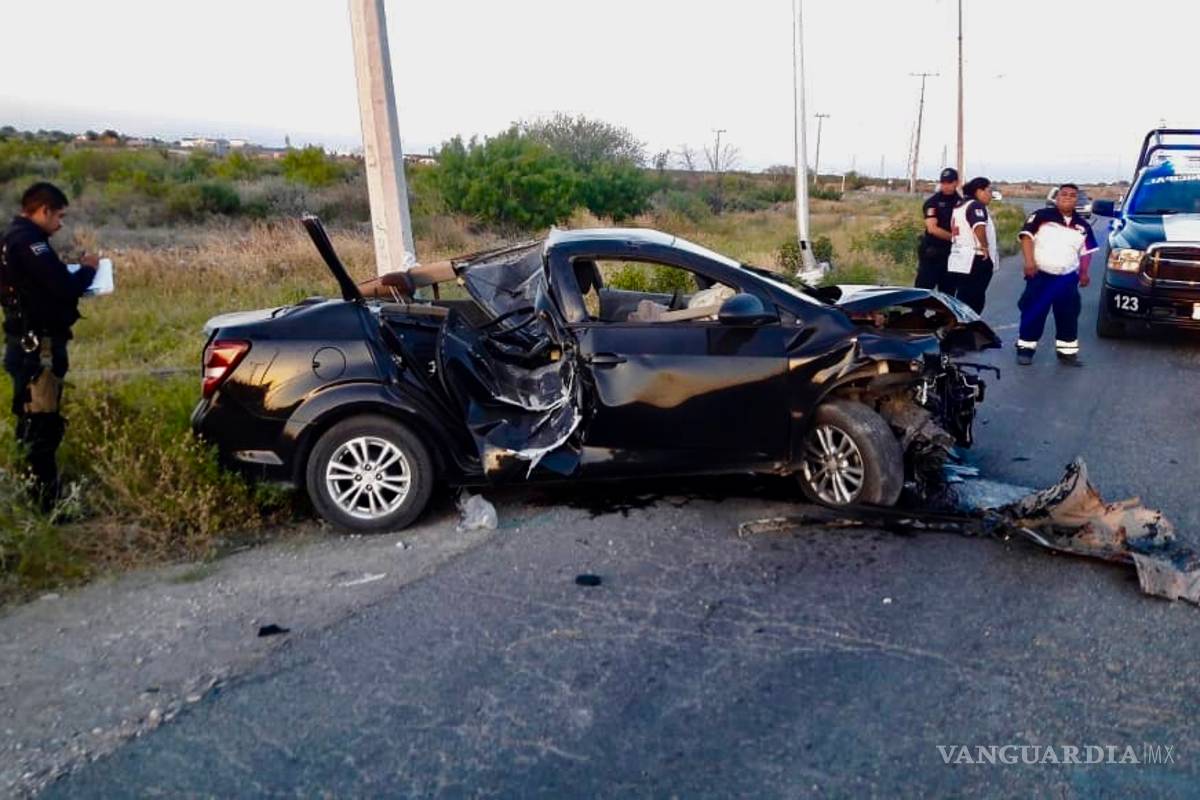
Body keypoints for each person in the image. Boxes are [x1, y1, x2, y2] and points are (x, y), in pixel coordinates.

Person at [1, 182, 97, 510]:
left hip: (24, 342)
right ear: (43, 211)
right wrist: (89, 270)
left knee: (32, 421)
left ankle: (34, 494)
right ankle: (46, 506)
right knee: (41, 425)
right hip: (37, 347)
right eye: (59, 215)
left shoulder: (12, 238)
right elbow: (64, 286)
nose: (60, 223)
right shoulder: (30, 243)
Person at [1015, 183, 1097, 366]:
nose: (1068, 197)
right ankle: (1025, 350)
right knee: (1034, 312)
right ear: (1057, 197)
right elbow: (1026, 237)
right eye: (1064, 194)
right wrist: (1029, 262)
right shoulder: (1041, 216)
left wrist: (1084, 273)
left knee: (1068, 315)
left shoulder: (1082, 225)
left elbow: (1087, 251)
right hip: (1040, 276)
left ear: (1077, 199)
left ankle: (1066, 353)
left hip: (1067, 279)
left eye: (1072, 195)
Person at [946, 176, 998, 314]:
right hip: (975, 257)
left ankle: (961, 325)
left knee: (964, 296)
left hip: (960, 259)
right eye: (989, 190)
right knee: (973, 300)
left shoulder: (960, 205)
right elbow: (978, 226)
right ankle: (966, 328)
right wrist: (984, 246)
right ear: (979, 191)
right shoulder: (975, 205)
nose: (990, 195)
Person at [915, 167, 960, 291]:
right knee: (923, 291)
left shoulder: (961, 203)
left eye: (949, 182)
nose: (946, 186)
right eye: (943, 182)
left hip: (952, 254)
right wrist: (955, 239)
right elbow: (932, 229)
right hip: (932, 252)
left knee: (948, 294)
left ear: (956, 182)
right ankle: (917, 311)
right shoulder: (932, 202)